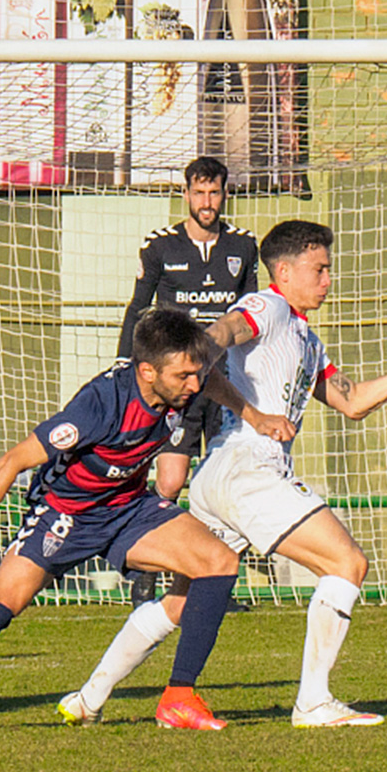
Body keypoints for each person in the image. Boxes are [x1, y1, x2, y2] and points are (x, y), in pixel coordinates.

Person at [59, 220, 387, 729]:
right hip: (250, 468)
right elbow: (222, 333)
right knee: (347, 564)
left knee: (180, 601)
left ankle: (88, 697)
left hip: (219, 476)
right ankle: (313, 701)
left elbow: (352, 402)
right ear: (285, 271)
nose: (327, 280)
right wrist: (217, 376)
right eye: (319, 269)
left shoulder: (306, 339)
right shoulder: (267, 307)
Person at [0, 308, 289, 734]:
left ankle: (178, 696)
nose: (193, 385)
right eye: (182, 376)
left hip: (126, 508)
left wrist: (253, 416)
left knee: (218, 560)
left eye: (196, 374)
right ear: (146, 371)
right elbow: (10, 462)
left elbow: (209, 379)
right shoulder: (99, 407)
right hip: (65, 514)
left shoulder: (184, 382)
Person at [117, 155, 259, 604]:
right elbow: (138, 309)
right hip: (180, 387)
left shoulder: (242, 245)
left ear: (224, 194)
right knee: (172, 480)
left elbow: (252, 313)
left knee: (221, 480)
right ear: (186, 195)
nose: (207, 202)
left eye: (214, 192)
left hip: (224, 383)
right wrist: (126, 366)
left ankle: (212, 577)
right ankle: (151, 570)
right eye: (199, 193)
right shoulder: (161, 247)